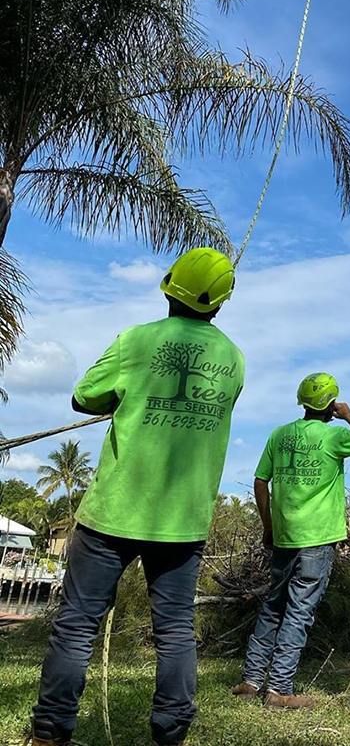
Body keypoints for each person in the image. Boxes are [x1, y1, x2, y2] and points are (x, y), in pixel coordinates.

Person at [32, 248, 244, 746]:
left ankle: (49, 732)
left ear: (168, 285)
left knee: (78, 624)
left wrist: (131, 398)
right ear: (222, 302)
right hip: (183, 522)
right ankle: (171, 734)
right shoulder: (234, 359)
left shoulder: (136, 340)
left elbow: (85, 396)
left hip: (112, 513)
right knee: (174, 630)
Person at [232, 373, 350, 708]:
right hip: (318, 539)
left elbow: (260, 481)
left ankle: (251, 680)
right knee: (299, 612)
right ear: (330, 404)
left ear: (302, 401)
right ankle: (279, 690)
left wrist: (268, 526)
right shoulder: (335, 437)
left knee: (273, 605)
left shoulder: (280, 435)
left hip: (285, 536)